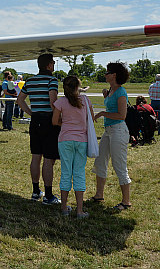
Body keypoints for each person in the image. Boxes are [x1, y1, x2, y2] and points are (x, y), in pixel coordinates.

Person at [16, 53, 61, 204]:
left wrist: (31, 113)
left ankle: (36, 192)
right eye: (53, 63)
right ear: (49, 65)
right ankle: (48, 195)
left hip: (35, 121)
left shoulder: (30, 81)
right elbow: (53, 102)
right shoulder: (52, 80)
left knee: (36, 157)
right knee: (48, 159)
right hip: (48, 120)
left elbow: (20, 100)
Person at [91, 62, 132, 211]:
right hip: (108, 131)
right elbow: (112, 105)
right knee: (100, 160)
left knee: (119, 165)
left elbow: (122, 115)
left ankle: (126, 201)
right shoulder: (112, 90)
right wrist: (106, 96)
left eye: (108, 72)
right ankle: (99, 194)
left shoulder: (121, 92)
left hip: (118, 131)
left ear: (114, 75)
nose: (105, 74)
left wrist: (102, 113)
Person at [52, 75, 92, 219]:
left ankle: (64, 208)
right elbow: (91, 120)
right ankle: (80, 210)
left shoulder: (61, 102)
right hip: (81, 140)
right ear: (78, 87)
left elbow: (54, 121)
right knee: (79, 173)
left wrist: (67, 124)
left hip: (65, 140)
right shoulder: (85, 101)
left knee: (66, 172)